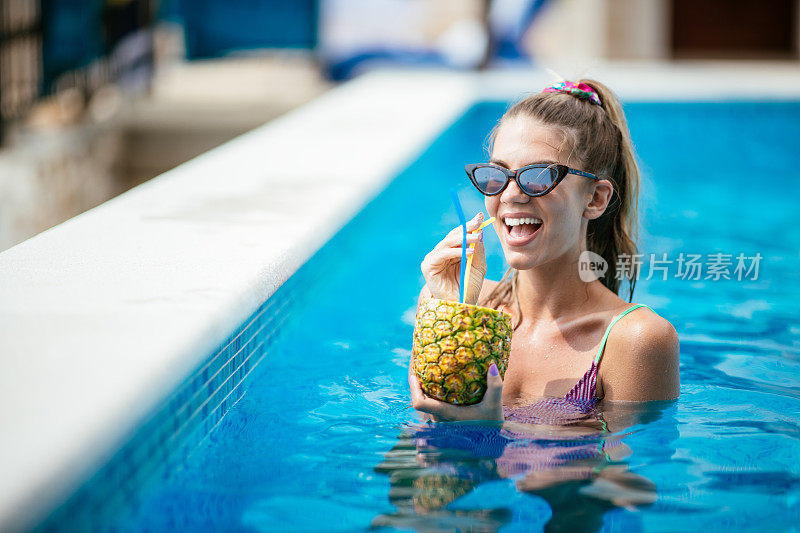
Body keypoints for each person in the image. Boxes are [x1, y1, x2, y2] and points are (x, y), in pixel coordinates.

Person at [409, 79, 680, 423]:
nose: (510, 195)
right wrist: (454, 316)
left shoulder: (635, 341)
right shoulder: (447, 304)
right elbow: (416, 462)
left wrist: (490, 436)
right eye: (497, 174)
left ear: (595, 198)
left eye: (538, 176)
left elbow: (620, 476)